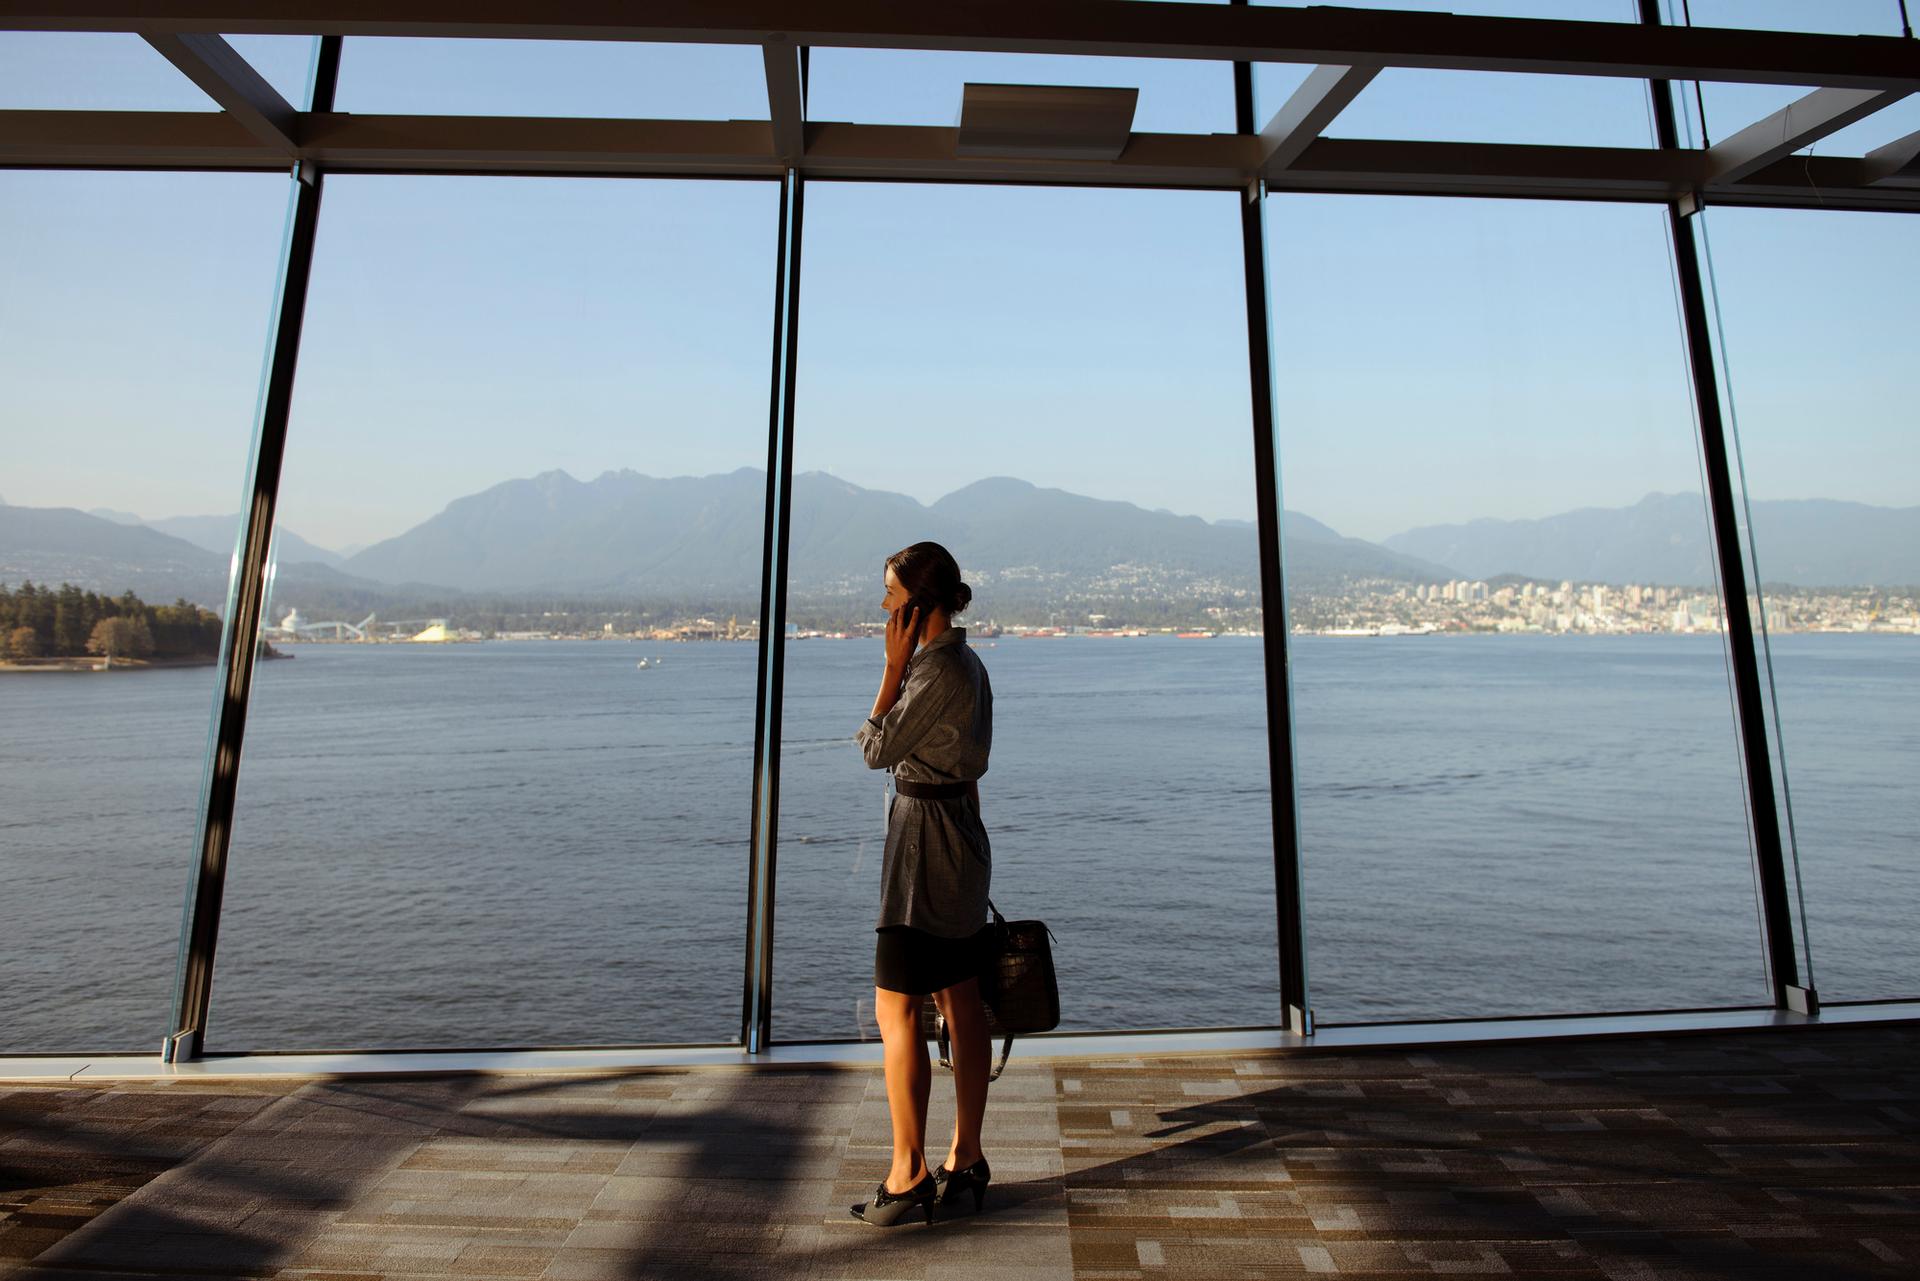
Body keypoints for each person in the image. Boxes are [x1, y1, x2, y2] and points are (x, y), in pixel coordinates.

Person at [848, 541, 996, 1228]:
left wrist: (890, 670)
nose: (883, 608)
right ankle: (964, 1158)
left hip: (924, 850)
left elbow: (878, 748)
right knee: (959, 997)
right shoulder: (972, 664)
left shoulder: (932, 671)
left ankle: (908, 1170)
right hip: (960, 837)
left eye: (890, 595)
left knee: (895, 1004)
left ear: (918, 606)